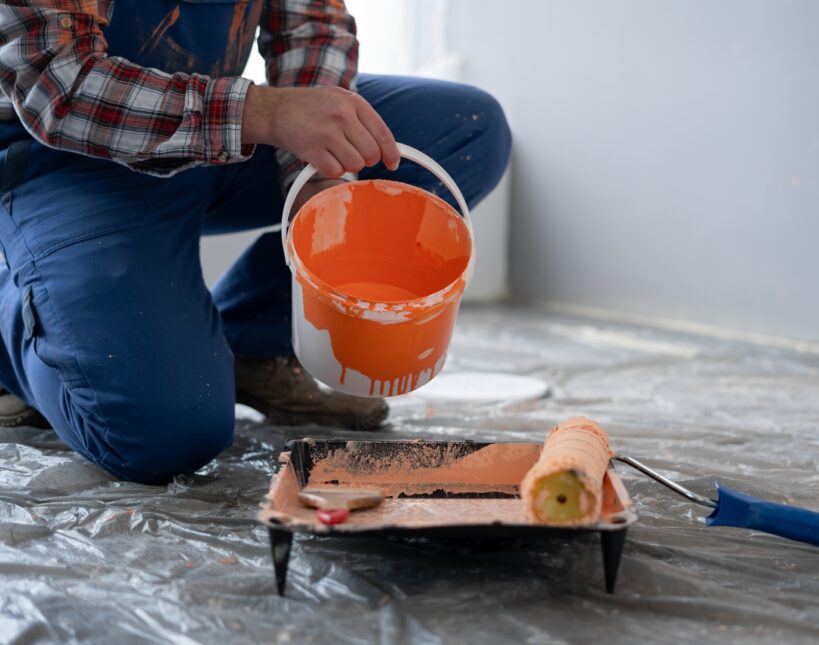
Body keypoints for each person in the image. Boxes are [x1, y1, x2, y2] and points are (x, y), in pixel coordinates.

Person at [0, 1, 512, 484]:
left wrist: (316, 175)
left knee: (466, 132)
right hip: (65, 156)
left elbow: (310, 25)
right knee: (161, 437)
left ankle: (256, 343)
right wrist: (264, 115)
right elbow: (56, 81)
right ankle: (17, 325)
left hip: (216, 128)